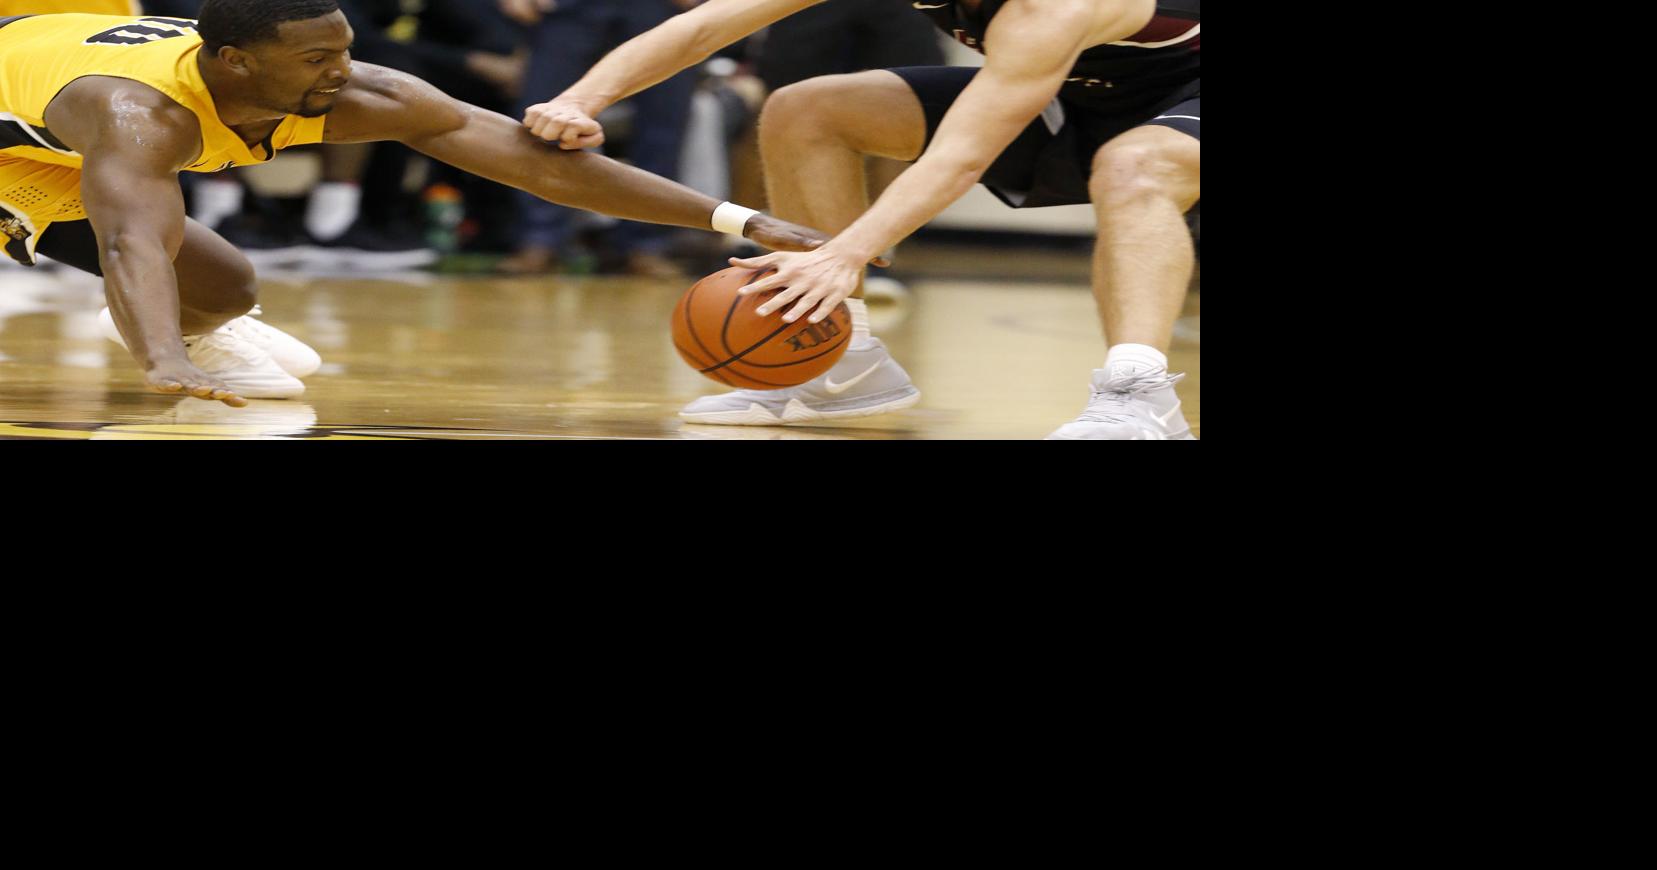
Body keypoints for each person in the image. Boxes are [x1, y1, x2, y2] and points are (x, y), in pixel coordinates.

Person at [0, 1, 826, 407]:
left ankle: (160, 322)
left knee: (228, 289)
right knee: (146, 254)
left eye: (346, 50)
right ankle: (150, 329)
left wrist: (739, 221)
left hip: (56, 99)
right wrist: (163, 363)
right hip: (19, 141)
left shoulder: (360, 91)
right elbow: (128, 247)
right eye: (317, 57)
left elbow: (542, 167)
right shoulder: (143, 117)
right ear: (235, 66)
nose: (340, 71)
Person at [523, 0, 1200, 439]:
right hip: (1084, 90)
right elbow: (703, 25)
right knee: (804, 109)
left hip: (1175, 93)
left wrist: (847, 251)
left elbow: (960, 157)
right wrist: (582, 99)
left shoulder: (1048, 8)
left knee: (1133, 167)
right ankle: (842, 363)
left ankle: (1137, 396)